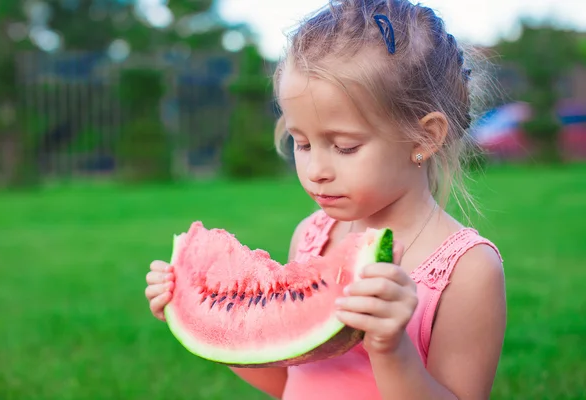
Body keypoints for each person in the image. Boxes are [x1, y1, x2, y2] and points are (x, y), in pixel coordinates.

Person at [145, 0, 507, 398]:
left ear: (425, 137)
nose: (316, 169)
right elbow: (290, 382)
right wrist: (214, 321)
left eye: (345, 146)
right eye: (301, 143)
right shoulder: (311, 236)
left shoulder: (468, 270)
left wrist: (391, 349)